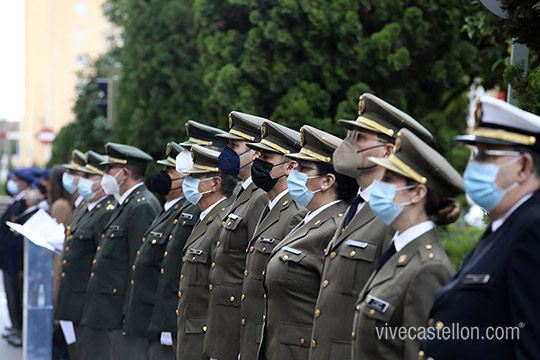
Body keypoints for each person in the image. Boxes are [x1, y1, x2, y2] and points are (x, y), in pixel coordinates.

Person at [309, 93, 433, 360]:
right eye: (349, 134)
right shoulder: (355, 207)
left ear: (388, 151)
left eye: (359, 137)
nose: (347, 143)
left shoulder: (393, 215)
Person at [421, 96, 540, 359]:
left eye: (486, 155)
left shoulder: (533, 229)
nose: (473, 165)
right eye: (475, 154)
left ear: (523, 167)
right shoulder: (507, 225)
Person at [350, 128, 461, 359]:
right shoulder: (397, 250)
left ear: (417, 193)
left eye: (389, 179)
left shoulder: (429, 268)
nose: (379, 183)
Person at [258, 125, 356, 360]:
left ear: (327, 181)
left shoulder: (335, 228)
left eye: (303, 168)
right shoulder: (304, 219)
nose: (293, 174)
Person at [80, 142, 160, 359]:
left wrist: (130, 312)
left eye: (108, 170)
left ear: (124, 173)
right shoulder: (126, 203)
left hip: (122, 311)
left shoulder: (142, 205)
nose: (104, 175)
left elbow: (139, 264)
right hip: (111, 310)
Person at [238, 121, 308, 360]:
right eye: (257, 154)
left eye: (266, 156)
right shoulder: (268, 207)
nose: (257, 161)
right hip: (251, 338)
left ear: (289, 167)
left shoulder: (295, 212)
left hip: (270, 343)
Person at [203, 111, 269, 360]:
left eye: (234, 145)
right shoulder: (243, 193)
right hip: (223, 321)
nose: (227, 153)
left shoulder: (260, 196)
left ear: (254, 152)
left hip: (237, 326)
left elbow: (253, 271)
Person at [123, 142, 195, 360]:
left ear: (185, 177)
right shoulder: (167, 209)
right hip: (149, 316)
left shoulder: (188, 211)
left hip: (165, 318)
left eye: (170, 171)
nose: (163, 175)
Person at [55, 151, 116, 360]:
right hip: (75, 303)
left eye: (88, 177)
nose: (81, 181)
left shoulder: (105, 211)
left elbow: (103, 264)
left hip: (87, 306)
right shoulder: (90, 209)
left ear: (102, 182)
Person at [176, 145, 235, 360]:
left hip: (205, 339)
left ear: (215, 183)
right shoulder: (206, 218)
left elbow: (222, 289)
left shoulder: (223, 222)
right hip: (191, 334)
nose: (187, 183)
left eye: (195, 177)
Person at [0, 168, 34, 347]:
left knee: (18, 295)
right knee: (12, 294)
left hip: (16, 261)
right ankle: (15, 326)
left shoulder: (23, 204)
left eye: (16, 179)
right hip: (9, 260)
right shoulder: (17, 201)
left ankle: (19, 328)